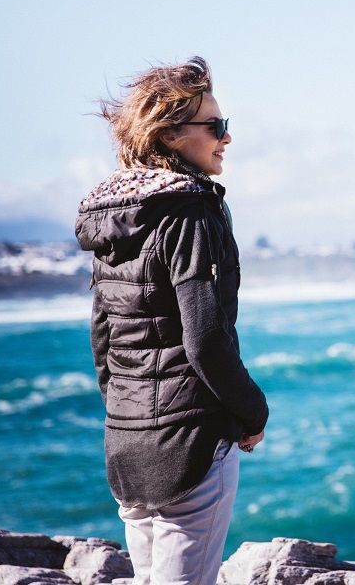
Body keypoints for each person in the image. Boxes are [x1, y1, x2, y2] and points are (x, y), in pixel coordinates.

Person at [75, 56, 269, 585]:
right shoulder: (189, 213)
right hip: (190, 443)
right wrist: (252, 413)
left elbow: (102, 337)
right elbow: (205, 341)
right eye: (216, 126)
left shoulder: (114, 215)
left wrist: (127, 415)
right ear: (170, 134)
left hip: (126, 443)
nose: (226, 138)